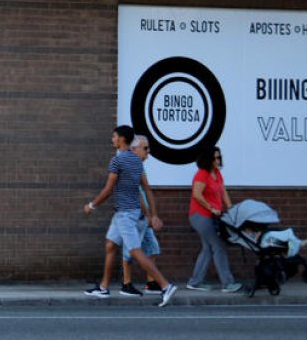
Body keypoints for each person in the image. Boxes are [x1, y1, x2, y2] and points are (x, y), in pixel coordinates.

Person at [83, 125, 178, 307]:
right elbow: (146, 189)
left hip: (125, 215)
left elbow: (109, 189)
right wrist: (153, 214)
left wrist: (92, 205)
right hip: (127, 213)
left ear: (122, 140)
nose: (112, 139)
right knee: (110, 245)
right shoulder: (136, 161)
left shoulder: (116, 161)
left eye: (114, 137)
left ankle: (166, 285)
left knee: (135, 250)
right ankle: (103, 287)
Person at [186, 145, 242, 292]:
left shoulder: (216, 173)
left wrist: (231, 209)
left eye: (219, 157)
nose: (218, 160)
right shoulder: (202, 174)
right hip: (200, 216)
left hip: (212, 216)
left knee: (207, 249)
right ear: (208, 159)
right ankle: (228, 283)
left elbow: (223, 192)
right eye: (215, 157)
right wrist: (211, 208)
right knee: (218, 246)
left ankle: (195, 282)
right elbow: (197, 195)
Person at [121, 135, 164, 295]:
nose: (148, 152)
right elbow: (136, 193)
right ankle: (126, 284)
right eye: (145, 148)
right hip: (135, 214)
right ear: (133, 149)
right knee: (131, 249)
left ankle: (151, 282)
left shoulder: (139, 166)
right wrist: (149, 215)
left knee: (152, 247)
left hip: (144, 216)